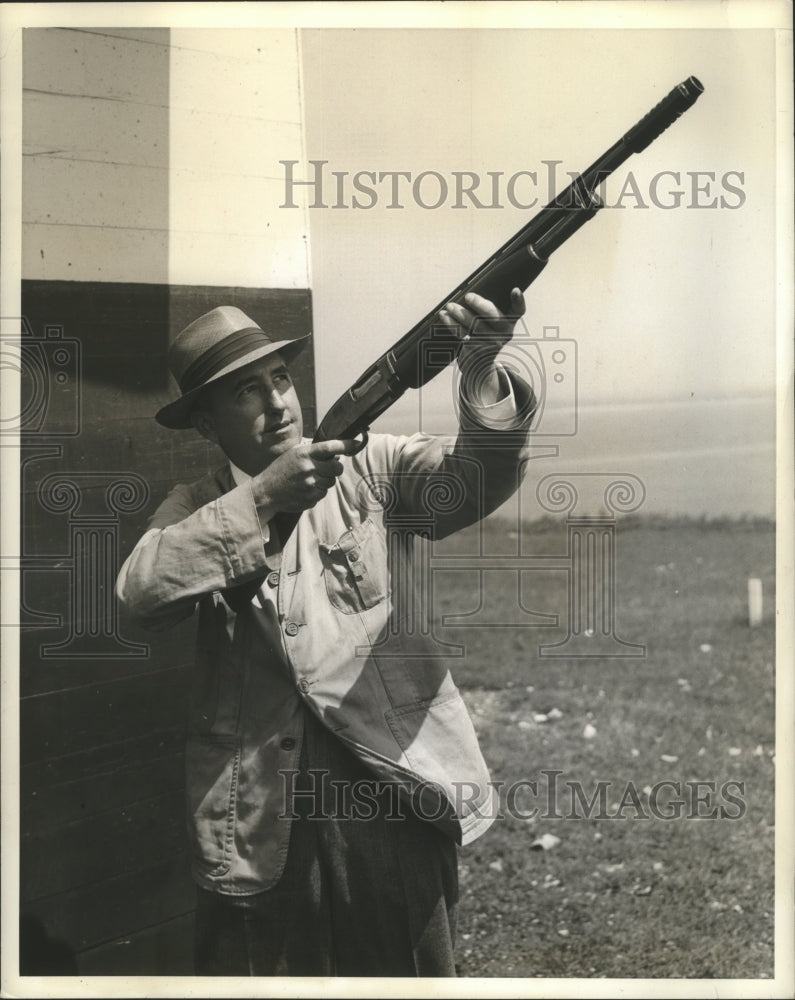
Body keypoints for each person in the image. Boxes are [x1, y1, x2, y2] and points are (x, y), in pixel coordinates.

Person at [116, 289, 536, 977]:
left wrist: (482, 365)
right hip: (257, 817)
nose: (278, 402)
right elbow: (139, 593)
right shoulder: (196, 507)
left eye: (279, 378)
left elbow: (469, 484)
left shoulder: (368, 468)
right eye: (247, 391)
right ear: (204, 423)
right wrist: (261, 498)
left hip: (392, 789)